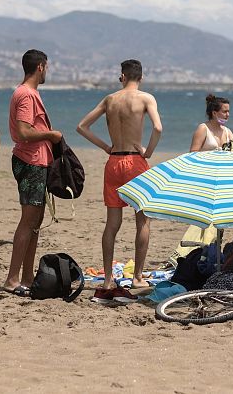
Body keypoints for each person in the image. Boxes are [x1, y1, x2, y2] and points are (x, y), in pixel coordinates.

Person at [77, 59, 162, 300]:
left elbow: (82, 126)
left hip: (114, 162)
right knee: (142, 221)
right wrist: (149, 152)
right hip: (136, 162)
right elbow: (157, 128)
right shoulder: (146, 98)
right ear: (141, 78)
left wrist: (106, 146)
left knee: (112, 224)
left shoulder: (110, 100)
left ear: (122, 76)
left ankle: (106, 278)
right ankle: (137, 277)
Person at [4, 49, 62, 296]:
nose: (47, 71)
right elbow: (25, 131)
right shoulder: (27, 95)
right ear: (40, 67)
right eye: (46, 67)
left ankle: (27, 277)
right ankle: (12, 279)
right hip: (31, 161)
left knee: (35, 222)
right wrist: (51, 135)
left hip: (36, 161)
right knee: (28, 222)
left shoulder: (28, 93)